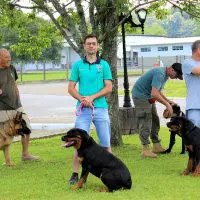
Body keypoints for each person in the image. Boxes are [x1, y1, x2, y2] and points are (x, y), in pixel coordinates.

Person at [67, 34, 112, 184]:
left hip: (100, 109)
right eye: (89, 44)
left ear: (98, 46)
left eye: (94, 43)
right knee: (77, 142)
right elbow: (71, 88)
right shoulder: (77, 65)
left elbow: (109, 87)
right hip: (83, 110)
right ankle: (74, 174)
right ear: (84, 46)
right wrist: (82, 99)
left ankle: (110, 171)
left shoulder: (104, 65)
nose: (91, 46)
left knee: (105, 143)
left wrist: (91, 97)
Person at [132, 63, 183, 158]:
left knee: (155, 120)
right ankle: (145, 149)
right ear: (172, 69)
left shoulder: (165, 76)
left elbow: (158, 91)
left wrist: (168, 101)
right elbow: (154, 93)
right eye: (177, 75)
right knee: (146, 121)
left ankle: (156, 145)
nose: (176, 78)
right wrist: (167, 105)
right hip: (140, 97)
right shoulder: (160, 74)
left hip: (148, 96)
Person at [0, 48, 39, 162]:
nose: (9, 59)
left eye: (9, 57)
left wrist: (17, 94)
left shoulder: (11, 68)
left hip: (17, 106)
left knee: (26, 128)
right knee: (4, 135)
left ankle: (25, 155)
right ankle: (7, 160)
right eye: (6, 57)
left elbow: (14, 83)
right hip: (2, 109)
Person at [183, 40, 200, 128]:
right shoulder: (187, 63)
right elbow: (197, 71)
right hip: (195, 107)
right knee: (194, 138)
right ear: (198, 50)